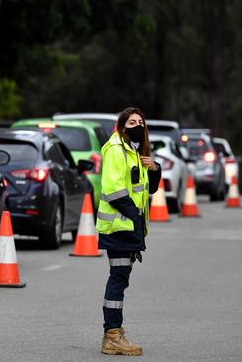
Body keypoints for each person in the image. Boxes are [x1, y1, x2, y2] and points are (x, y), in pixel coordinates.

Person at [95, 107, 162, 356]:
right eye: (132, 122)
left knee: (120, 278)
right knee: (118, 278)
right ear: (122, 127)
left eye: (141, 121)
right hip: (119, 227)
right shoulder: (115, 150)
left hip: (128, 227)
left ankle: (114, 331)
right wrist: (134, 218)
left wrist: (154, 169)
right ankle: (112, 334)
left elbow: (148, 190)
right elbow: (114, 191)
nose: (138, 125)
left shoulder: (135, 152)